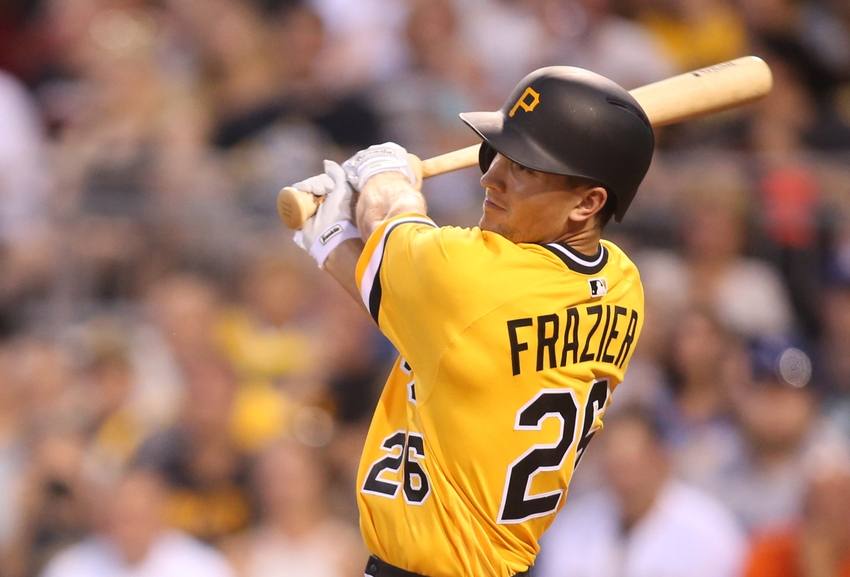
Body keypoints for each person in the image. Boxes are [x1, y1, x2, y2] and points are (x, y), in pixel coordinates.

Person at [286, 66, 655, 576]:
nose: (490, 177)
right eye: (498, 153)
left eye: (524, 168)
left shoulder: (476, 280)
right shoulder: (622, 284)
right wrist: (332, 240)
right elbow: (427, 315)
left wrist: (381, 168)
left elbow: (390, 214)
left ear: (589, 202)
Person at [535, 407, 747, 577]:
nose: (624, 479)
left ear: (659, 460)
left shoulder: (708, 529)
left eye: (631, 465)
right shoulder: (570, 527)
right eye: (615, 465)